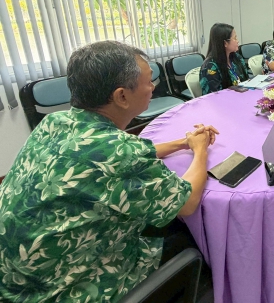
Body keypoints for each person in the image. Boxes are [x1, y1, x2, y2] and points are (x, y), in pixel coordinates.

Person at [0, 41, 217, 302]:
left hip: (15, 280)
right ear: (121, 96)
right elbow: (187, 202)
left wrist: (183, 143)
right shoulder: (121, 152)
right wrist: (200, 150)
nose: (153, 87)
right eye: (149, 81)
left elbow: (109, 154)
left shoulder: (55, 122)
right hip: (64, 292)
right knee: (193, 234)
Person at [200, 23, 250, 94]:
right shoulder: (210, 66)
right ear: (225, 43)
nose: (237, 41)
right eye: (235, 38)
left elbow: (247, 81)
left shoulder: (237, 58)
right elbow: (214, 95)